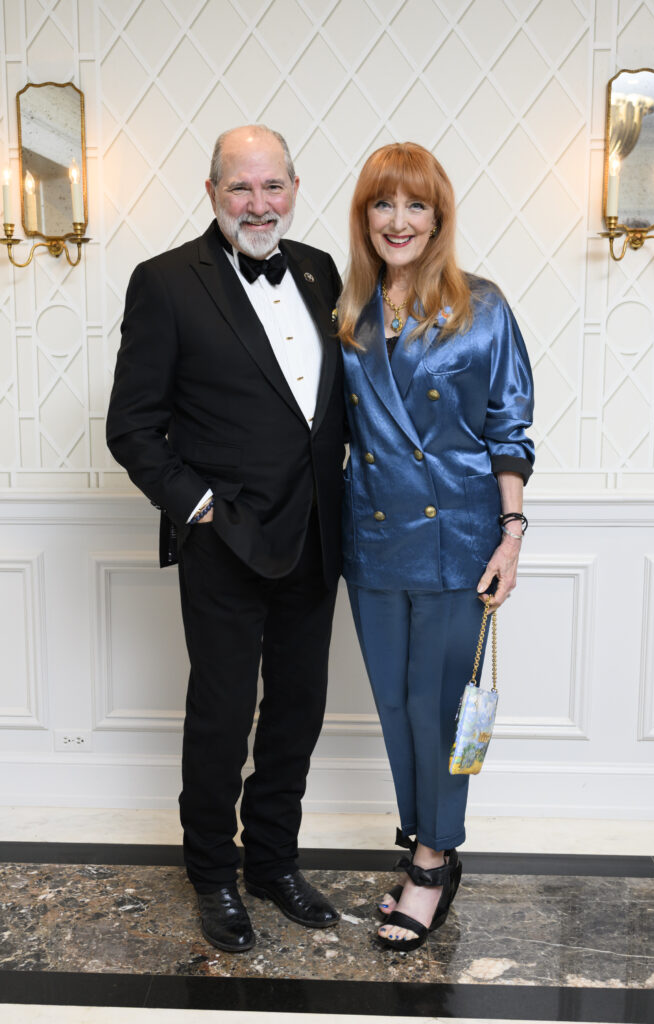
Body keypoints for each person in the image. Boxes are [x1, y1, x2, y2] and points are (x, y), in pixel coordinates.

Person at [106, 125, 345, 953]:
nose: (258, 203)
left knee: (296, 713)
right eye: (240, 188)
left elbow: (328, 407)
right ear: (211, 192)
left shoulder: (318, 269)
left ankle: (272, 863)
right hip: (224, 541)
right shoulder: (166, 282)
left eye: (271, 186)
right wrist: (199, 507)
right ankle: (212, 872)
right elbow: (132, 427)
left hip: (316, 535)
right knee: (220, 714)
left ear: (294, 186)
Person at [337, 142, 534, 952]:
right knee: (392, 706)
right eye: (384, 205)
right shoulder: (344, 311)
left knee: (440, 708)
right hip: (373, 538)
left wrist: (511, 534)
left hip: (459, 539)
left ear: (438, 218)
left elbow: (507, 428)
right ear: (364, 218)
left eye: (415, 205)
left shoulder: (482, 307)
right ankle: (422, 840)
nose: (399, 220)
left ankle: (430, 859)